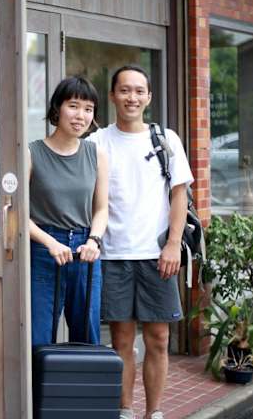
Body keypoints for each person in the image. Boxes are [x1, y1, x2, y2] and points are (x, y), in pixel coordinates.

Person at [87, 65, 193, 419]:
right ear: (113, 95)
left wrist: (173, 244)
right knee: (121, 340)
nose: (131, 97)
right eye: (124, 90)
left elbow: (179, 194)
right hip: (113, 254)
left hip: (157, 254)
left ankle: (155, 412)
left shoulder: (166, 139)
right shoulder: (97, 142)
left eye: (138, 91)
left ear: (148, 97)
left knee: (159, 339)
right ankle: (126, 411)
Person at [28, 76, 109, 347]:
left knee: (87, 337)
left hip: (86, 250)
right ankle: (40, 379)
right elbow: (15, 213)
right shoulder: (31, 153)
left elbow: (101, 208)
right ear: (57, 108)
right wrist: (50, 242)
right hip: (43, 250)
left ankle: (82, 380)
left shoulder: (96, 154)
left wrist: (94, 240)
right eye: (73, 106)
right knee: (39, 337)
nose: (80, 115)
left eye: (88, 109)